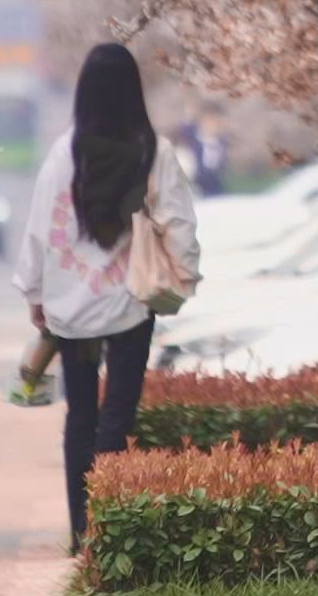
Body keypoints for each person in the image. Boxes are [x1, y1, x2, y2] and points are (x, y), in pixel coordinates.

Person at [11, 42, 201, 544]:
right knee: (117, 414)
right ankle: (108, 526)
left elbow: (38, 229)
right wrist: (185, 275)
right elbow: (177, 221)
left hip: (72, 311)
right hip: (130, 306)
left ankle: (79, 527)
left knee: (81, 417)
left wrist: (35, 291)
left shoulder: (63, 155)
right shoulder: (152, 151)